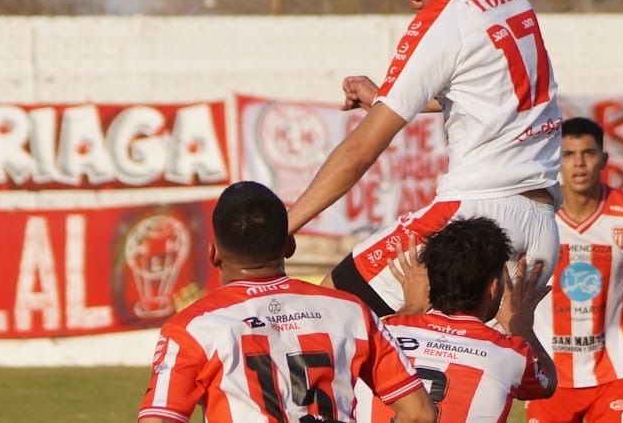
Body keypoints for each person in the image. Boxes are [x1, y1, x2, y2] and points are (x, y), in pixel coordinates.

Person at [285, 0, 563, 316]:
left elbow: (361, 149)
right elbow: (486, 91)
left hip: (474, 215)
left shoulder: (443, 20)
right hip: (541, 227)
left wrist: (286, 225)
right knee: (470, 369)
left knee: (336, 310)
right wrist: (388, 94)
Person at [137, 181, 436, 423]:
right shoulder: (352, 312)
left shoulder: (192, 328)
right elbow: (420, 414)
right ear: (289, 245)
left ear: (213, 253)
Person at [528, 117, 623, 423]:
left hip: (617, 369)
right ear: (556, 159)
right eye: (568, 155)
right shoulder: (534, 216)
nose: (579, 164)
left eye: (588, 153)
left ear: (604, 159)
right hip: (551, 373)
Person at [363, 218, 558, 422]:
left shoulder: (377, 335)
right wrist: (522, 328)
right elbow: (548, 382)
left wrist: (411, 308)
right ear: (493, 288)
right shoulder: (512, 354)